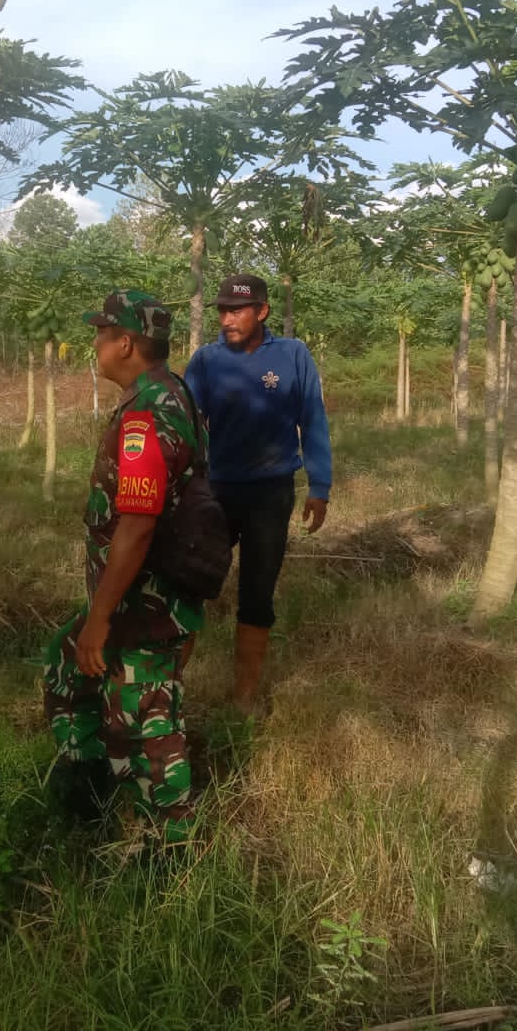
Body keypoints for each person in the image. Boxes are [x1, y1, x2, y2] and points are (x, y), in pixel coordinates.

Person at [43, 289, 205, 844]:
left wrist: (100, 619)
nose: (95, 346)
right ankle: (90, 782)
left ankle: (169, 847)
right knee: (67, 663)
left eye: (101, 335)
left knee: (146, 723)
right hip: (137, 597)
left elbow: (136, 528)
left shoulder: (146, 416)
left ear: (126, 343)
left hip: (145, 606)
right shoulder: (168, 394)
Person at [182, 273, 332, 713]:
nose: (227, 319)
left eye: (237, 311)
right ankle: (168, 687)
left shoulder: (293, 355)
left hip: (271, 493)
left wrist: (319, 485)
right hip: (216, 491)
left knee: (257, 592)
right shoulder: (206, 361)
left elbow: (313, 419)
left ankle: (244, 698)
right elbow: (188, 426)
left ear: (262, 311)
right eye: (222, 311)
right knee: (189, 581)